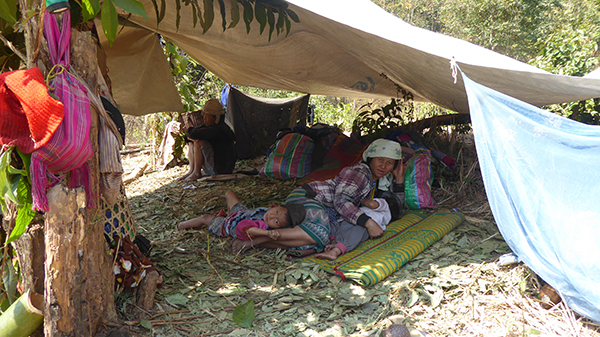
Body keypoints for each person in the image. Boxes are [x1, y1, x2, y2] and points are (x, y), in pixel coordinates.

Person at [301, 138, 406, 261]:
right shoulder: (359, 172)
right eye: (380, 159)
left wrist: (399, 179)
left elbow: (394, 208)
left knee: (322, 237)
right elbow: (341, 202)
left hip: (326, 213)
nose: (383, 166)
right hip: (309, 199)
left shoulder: (380, 182)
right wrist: (368, 222)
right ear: (370, 158)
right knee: (318, 236)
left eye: (390, 163)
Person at [177, 191, 304, 240]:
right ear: (275, 206)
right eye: (276, 212)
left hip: (228, 225)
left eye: (276, 222)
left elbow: (247, 229)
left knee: (205, 218)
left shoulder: (261, 227)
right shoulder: (268, 212)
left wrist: (267, 234)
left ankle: (180, 226)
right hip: (240, 213)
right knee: (229, 194)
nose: (271, 217)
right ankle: (227, 214)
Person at [178, 99, 236, 181]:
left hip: (221, 168)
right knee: (192, 143)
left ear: (215, 117)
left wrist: (192, 137)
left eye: (206, 116)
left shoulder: (218, 129)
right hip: (215, 166)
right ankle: (192, 171)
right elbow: (188, 136)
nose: (204, 118)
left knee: (198, 142)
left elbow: (194, 134)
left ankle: (196, 173)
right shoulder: (210, 126)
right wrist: (191, 137)